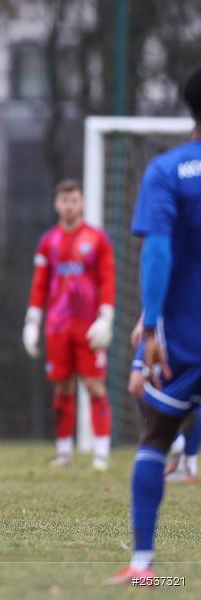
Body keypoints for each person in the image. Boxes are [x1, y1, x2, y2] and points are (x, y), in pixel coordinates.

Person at [107, 67, 201, 585]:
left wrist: (149, 332)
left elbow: (158, 253)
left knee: (155, 438)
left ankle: (144, 566)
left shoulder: (169, 171)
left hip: (186, 337)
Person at [22, 179, 116, 470]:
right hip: (58, 326)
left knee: (94, 386)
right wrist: (33, 321)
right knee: (62, 387)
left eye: (74, 200)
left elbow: (107, 278)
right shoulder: (48, 241)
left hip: (88, 326)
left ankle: (100, 453)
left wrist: (106, 315)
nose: (69, 205)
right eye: (64, 200)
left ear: (82, 202)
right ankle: (64, 452)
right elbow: (40, 284)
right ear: (56, 204)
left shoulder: (97, 239)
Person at [129, 317, 199, 483]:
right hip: (183, 330)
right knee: (194, 395)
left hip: (172, 331)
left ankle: (180, 451)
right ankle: (187, 461)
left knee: (141, 388)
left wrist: (146, 322)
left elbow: (161, 290)